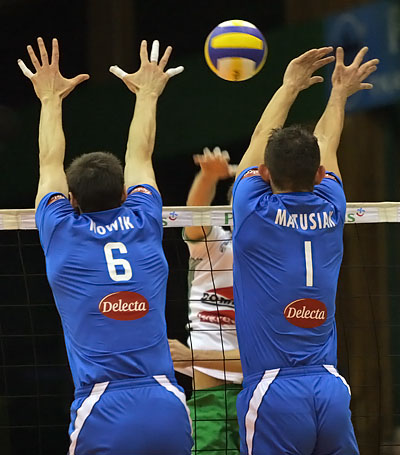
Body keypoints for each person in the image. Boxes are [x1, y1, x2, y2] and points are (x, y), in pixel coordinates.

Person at [18, 37, 192, 455]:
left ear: (72, 200)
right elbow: (141, 155)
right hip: (167, 400)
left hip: (102, 406)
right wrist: (148, 94)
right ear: (125, 194)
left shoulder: (61, 229)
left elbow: (48, 161)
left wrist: (50, 99)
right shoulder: (144, 219)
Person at [232, 46, 379, 454]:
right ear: (320, 174)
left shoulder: (253, 209)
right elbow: (326, 140)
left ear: (264, 173)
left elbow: (260, 139)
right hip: (330, 387)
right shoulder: (332, 205)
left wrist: (289, 87)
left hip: (273, 390)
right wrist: (340, 94)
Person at [169, 146, 242, 455]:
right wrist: (209, 176)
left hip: (261, 392)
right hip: (211, 398)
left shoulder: (278, 257)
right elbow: (195, 213)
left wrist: (191, 356)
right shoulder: (214, 245)